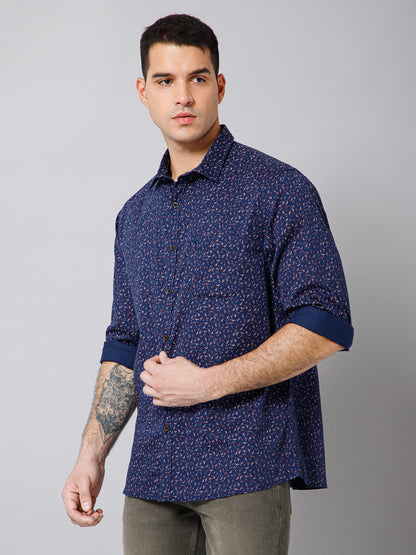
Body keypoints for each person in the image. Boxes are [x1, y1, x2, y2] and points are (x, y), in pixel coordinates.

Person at [62, 13, 354, 555]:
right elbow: (125, 342)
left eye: (197, 78)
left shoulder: (278, 190)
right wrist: (91, 455)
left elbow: (326, 323)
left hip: (246, 462)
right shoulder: (135, 215)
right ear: (143, 92)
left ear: (219, 86)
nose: (183, 96)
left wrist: (209, 383)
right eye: (165, 80)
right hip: (154, 471)